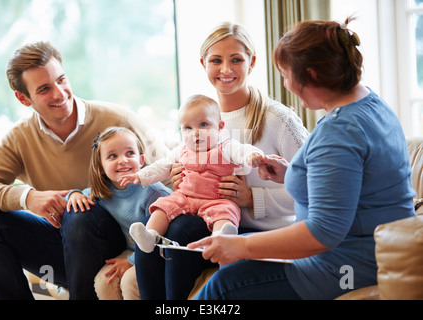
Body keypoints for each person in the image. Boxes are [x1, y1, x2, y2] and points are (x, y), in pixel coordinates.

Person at [188, 17, 417, 300]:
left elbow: (323, 233)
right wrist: (292, 173)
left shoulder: (339, 132)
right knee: (215, 248)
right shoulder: (369, 103)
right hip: (360, 252)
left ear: (312, 76)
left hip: (347, 266)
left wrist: (242, 248)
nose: (285, 85)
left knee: (222, 287)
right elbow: (351, 184)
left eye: (286, 75)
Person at [0, 41, 170, 299]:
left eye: (61, 80)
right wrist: (28, 197)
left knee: (78, 213)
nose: (59, 93)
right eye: (44, 89)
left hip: (119, 243)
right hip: (62, 251)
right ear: (23, 98)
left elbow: (170, 171)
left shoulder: (118, 120)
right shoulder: (20, 138)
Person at [132, 22, 308, 300]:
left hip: (260, 231)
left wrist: (252, 198)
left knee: (180, 234)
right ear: (204, 64)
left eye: (236, 59)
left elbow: (314, 191)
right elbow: (178, 168)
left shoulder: (279, 120)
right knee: (155, 242)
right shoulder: (198, 117)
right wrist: (180, 178)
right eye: (216, 60)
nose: (226, 69)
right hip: (208, 218)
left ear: (251, 62)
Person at [121, 95, 264, 254]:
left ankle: (221, 237)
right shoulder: (182, 149)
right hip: (185, 197)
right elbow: (162, 166)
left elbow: (242, 151)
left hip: (216, 200)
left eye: (203, 125)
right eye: (188, 128)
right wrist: (140, 176)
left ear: (220, 126)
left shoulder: (226, 146)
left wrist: (252, 156)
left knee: (227, 211)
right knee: (163, 206)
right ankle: (151, 236)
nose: (196, 133)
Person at [65, 126, 171, 298]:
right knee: (103, 281)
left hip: (157, 251)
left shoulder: (153, 193)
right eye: (113, 156)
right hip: (131, 249)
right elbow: (78, 198)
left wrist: (131, 261)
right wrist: (73, 195)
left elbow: (165, 239)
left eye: (130, 153)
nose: (123, 160)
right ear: (101, 165)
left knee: (130, 280)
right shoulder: (103, 191)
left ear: (141, 159)